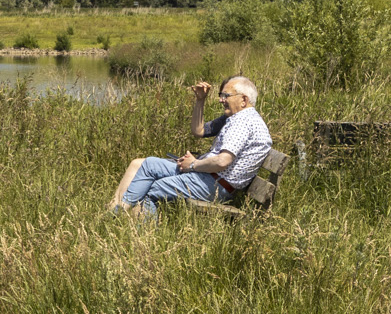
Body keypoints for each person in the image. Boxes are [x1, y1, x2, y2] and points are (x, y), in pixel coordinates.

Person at [107, 76, 273, 217]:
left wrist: (193, 165)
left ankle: (132, 226)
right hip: (213, 178)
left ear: (243, 100)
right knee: (148, 164)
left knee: (152, 188)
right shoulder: (242, 118)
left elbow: (223, 161)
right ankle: (117, 211)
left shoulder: (242, 122)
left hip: (215, 183)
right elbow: (199, 131)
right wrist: (200, 100)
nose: (221, 100)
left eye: (226, 96)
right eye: (221, 95)